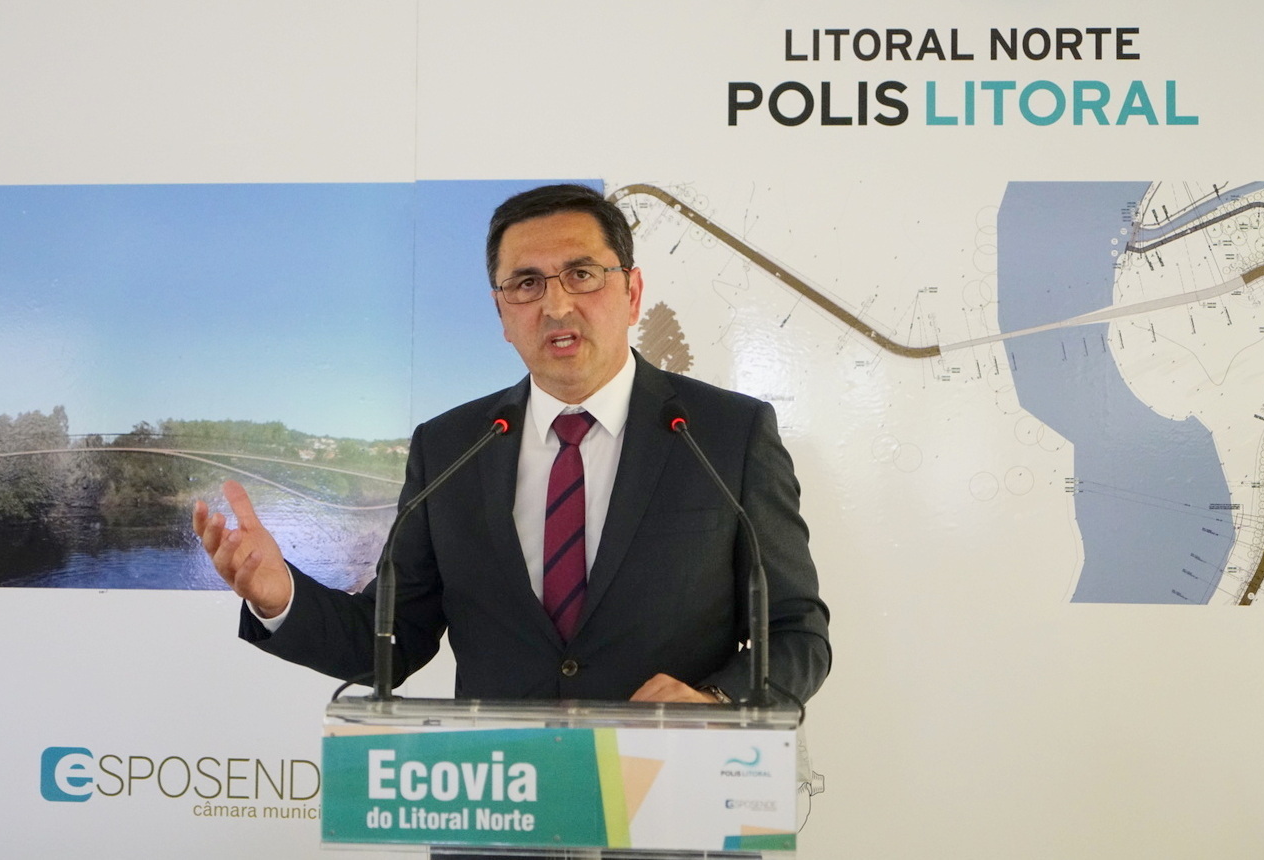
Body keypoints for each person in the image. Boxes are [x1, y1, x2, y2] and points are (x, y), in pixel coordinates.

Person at [193, 183, 830, 703]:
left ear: (632, 293)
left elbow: (797, 633)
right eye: (526, 284)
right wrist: (281, 597)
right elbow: (392, 639)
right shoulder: (451, 447)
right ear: (501, 313)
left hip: (667, 795)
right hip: (501, 797)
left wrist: (716, 701)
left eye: (581, 274)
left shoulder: (726, 435)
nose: (556, 305)